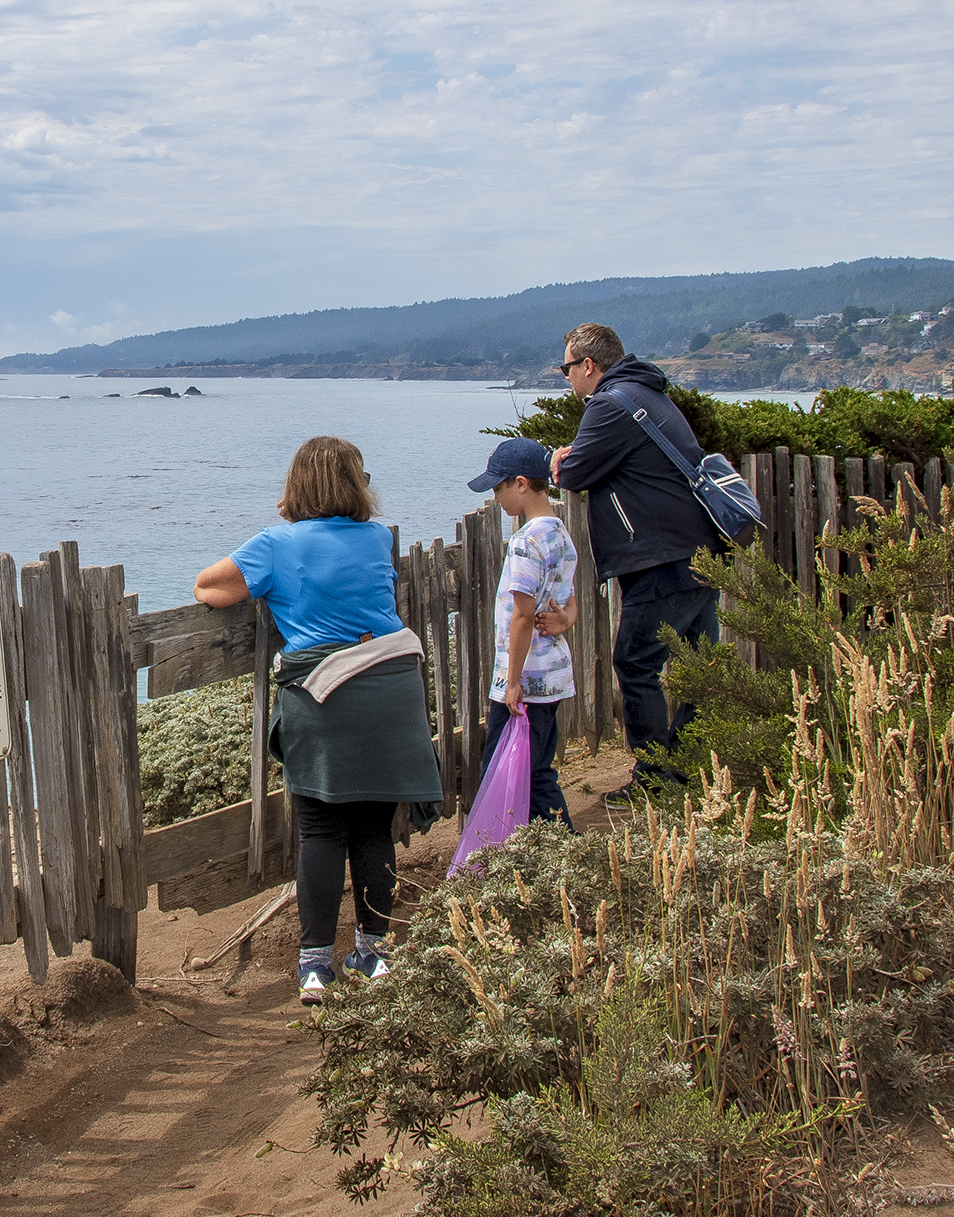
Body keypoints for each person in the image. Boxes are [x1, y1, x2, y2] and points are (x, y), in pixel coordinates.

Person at [193, 436, 440, 1005]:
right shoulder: (379, 538)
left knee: (324, 832)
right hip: (391, 691)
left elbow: (208, 587)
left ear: (295, 486)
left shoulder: (276, 545)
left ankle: (314, 968)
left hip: (325, 698)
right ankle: (374, 954)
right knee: (375, 829)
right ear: (356, 484)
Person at [549, 322, 722, 802]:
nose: (566, 378)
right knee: (696, 666)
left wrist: (559, 458)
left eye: (567, 368)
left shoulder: (608, 403)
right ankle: (686, 770)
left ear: (588, 365)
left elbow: (577, 471)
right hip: (699, 551)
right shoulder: (649, 393)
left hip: (661, 559)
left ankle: (656, 779)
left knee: (636, 662)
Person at [466, 438, 579, 830]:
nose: (496, 497)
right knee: (537, 768)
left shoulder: (525, 541)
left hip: (525, 680)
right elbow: (571, 602)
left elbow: (523, 616)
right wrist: (566, 621)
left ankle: (556, 849)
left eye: (498, 488)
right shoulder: (560, 534)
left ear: (521, 484)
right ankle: (550, 852)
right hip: (553, 675)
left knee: (507, 769)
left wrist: (511, 684)